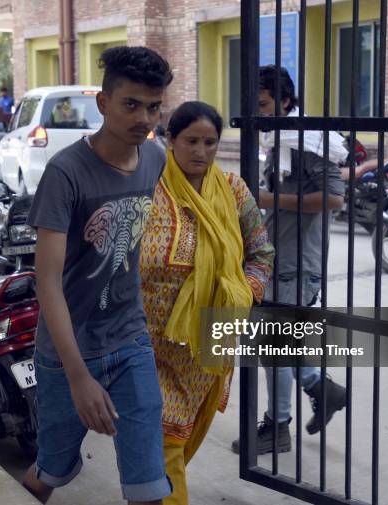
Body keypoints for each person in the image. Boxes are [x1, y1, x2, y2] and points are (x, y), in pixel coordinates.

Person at [22, 46, 174, 504]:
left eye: (152, 107)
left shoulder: (155, 158)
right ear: (104, 103)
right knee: (51, 468)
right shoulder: (65, 172)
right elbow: (46, 280)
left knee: (148, 480)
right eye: (130, 104)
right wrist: (77, 376)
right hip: (67, 350)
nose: (142, 117)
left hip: (129, 338)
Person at [140, 101, 274, 505]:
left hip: (209, 341)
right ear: (170, 140)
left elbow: (261, 253)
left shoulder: (233, 190)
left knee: (181, 442)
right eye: (191, 141)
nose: (200, 151)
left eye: (210, 142)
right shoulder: (147, 188)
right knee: (164, 443)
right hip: (150, 342)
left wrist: (242, 292)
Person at [232, 65, 347, 456]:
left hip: (299, 263)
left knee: (271, 347)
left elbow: (334, 199)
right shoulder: (280, 140)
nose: (258, 113)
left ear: (284, 101)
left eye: (263, 104)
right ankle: (322, 389)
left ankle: (278, 428)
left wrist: (268, 200)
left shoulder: (308, 143)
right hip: (276, 258)